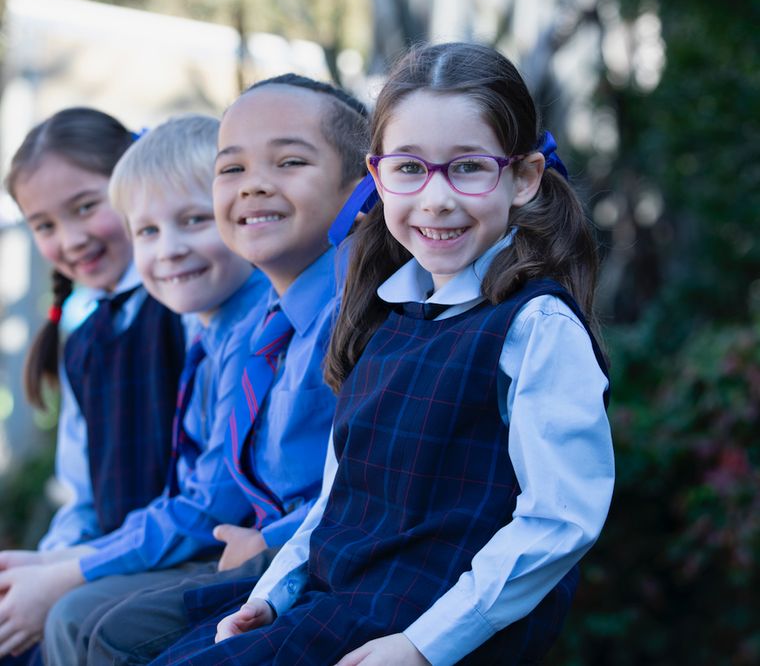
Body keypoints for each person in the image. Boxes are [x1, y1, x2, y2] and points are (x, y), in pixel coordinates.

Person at [157, 42, 615, 666]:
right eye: (409, 169)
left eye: (469, 167)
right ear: (376, 177)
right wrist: (276, 589)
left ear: (524, 178)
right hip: (338, 601)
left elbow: (561, 522)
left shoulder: (535, 326)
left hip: (425, 629)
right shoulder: (382, 314)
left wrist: (423, 647)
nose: (436, 198)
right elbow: (338, 497)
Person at [64, 74, 371, 666]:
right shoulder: (263, 325)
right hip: (261, 552)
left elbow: (363, 483)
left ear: (360, 189)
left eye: (288, 162)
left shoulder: (356, 313)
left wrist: (271, 543)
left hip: (313, 564)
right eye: (232, 170)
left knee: (96, 626)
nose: (255, 184)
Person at [0, 108, 186, 659]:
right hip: (101, 555)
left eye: (86, 207)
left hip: (163, 562)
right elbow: (82, 495)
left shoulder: (184, 309)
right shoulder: (82, 337)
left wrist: (65, 579)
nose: (71, 238)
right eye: (45, 225)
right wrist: (40, 570)